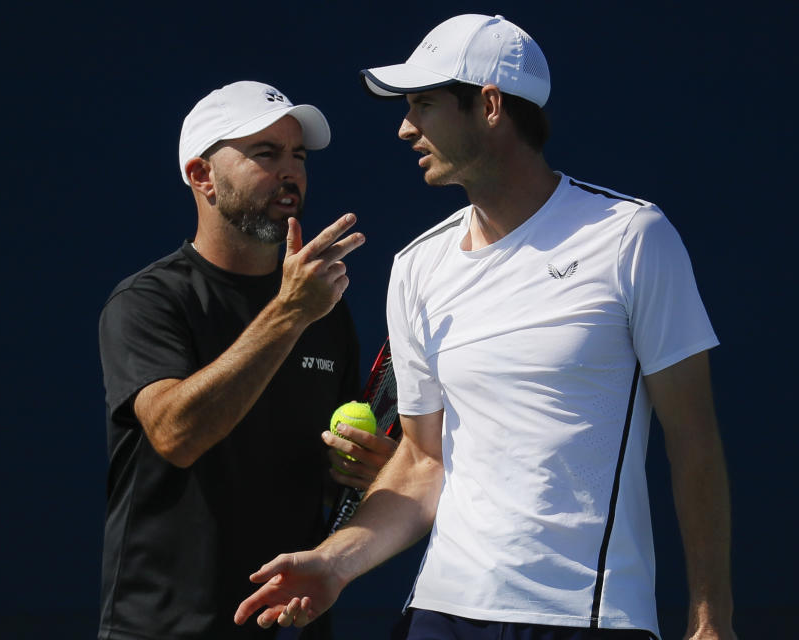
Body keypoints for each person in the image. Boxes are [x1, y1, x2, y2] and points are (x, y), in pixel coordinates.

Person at [234, 15, 736, 640]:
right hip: (442, 610)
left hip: (584, 616)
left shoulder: (633, 239)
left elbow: (695, 442)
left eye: (424, 104)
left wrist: (710, 619)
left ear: (491, 105)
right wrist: (338, 563)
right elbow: (422, 463)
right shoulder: (417, 266)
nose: (404, 126)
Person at [97, 80, 396, 639]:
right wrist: (289, 314)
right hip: (162, 627)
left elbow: (334, 475)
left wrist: (361, 470)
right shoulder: (148, 301)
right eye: (266, 153)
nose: (291, 172)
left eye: (298, 156)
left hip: (292, 625)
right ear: (202, 176)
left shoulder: (325, 310)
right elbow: (175, 435)